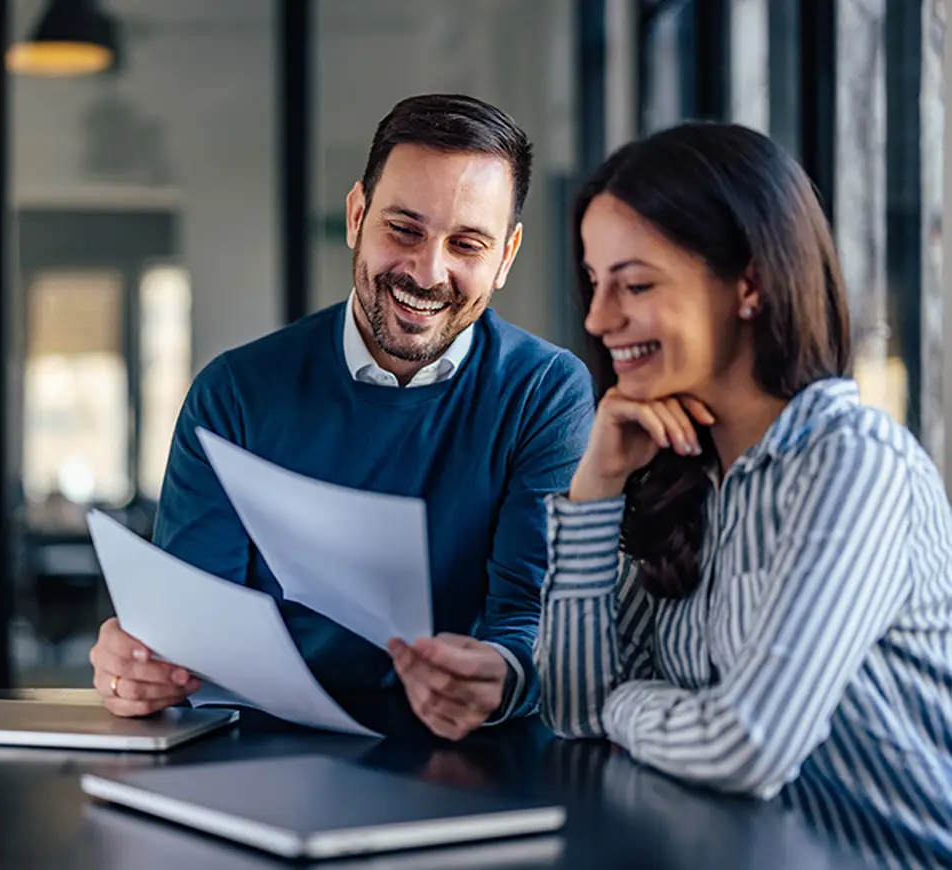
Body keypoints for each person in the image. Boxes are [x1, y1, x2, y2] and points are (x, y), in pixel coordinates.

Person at [89, 93, 595, 740]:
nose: (428, 272)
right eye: (404, 230)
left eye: (467, 244)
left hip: (476, 754)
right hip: (269, 754)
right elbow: (191, 629)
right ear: (357, 215)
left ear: (506, 256)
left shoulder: (544, 393)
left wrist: (499, 675)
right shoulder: (235, 393)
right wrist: (140, 668)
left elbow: (535, 615)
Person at [537, 121, 952, 849]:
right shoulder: (687, 479)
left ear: (750, 284)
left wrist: (623, 705)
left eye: (635, 284)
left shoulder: (855, 464)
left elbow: (746, 744)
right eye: (595, 284)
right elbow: (572, 707)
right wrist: (597, 485)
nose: (599, 320)